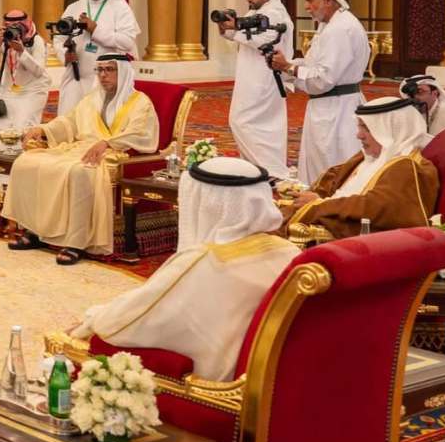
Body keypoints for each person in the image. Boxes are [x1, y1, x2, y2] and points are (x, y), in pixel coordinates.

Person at [71, 157, 298, 380]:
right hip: (269, 370)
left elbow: (128, 320)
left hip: (212, 377)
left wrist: (93, 318)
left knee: (79, 342)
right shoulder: (289, 252)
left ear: (206, 204)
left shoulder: (204, 261)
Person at [2, 54, 158, 265]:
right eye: (100, 70)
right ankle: (34, 231)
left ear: (123, 72)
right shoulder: (92, 98)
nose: (103, 75)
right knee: (27, 162)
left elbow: (140, 133)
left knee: (79, 171)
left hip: (113, 153)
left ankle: (76, 243)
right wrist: (43, 129)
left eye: (109, 70)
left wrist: (108, 143)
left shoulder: (140, 102)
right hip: (81, 148)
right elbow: (70, 122)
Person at [285, 96, 438, 240]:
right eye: (360, 127)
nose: (359, 135)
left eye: (367, 128)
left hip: (365, 239)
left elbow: (376, 208)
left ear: (392, 130)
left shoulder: (406, 166)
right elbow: (334, 181)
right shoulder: (372, 157)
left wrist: (320, 204)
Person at [270, 0, 370, 186]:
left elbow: (323, 79)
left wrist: (288, 68)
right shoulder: (330, 25)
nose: (307, 7)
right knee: (324, 162)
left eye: (311, 0)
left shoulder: (339, 29)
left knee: (331, 165)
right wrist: (288, 65)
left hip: (336, 109)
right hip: (332, 106)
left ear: (328, 0)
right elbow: (313, 64)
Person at [218, 0, 294, 180]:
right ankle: (256, 169)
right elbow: (242, 37)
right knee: (256, 124)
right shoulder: (254, 13)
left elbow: (266, 39)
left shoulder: (275, 13)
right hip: (250, 76)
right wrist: (225, 28)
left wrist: (235, 30)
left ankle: (270, 170)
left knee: (243, 121)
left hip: (265, 78)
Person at [52, 0, 140, 115]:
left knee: (99, 122)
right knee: (69, 121)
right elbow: (59, 39)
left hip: (105, 79)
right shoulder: (73, 8)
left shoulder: (120, 9)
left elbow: (127, 42)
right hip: (75, 77)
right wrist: (64, 55)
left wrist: (95, 30)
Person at [0, 9, 51, 153]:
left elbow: (38, 71)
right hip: (9, 89)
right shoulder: (4, 36)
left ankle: (22, 161)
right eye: (9, 25)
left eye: (17, 26)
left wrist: (22, 51)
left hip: (33, 90)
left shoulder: (36, 40)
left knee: (23, 126)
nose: (13, 30)